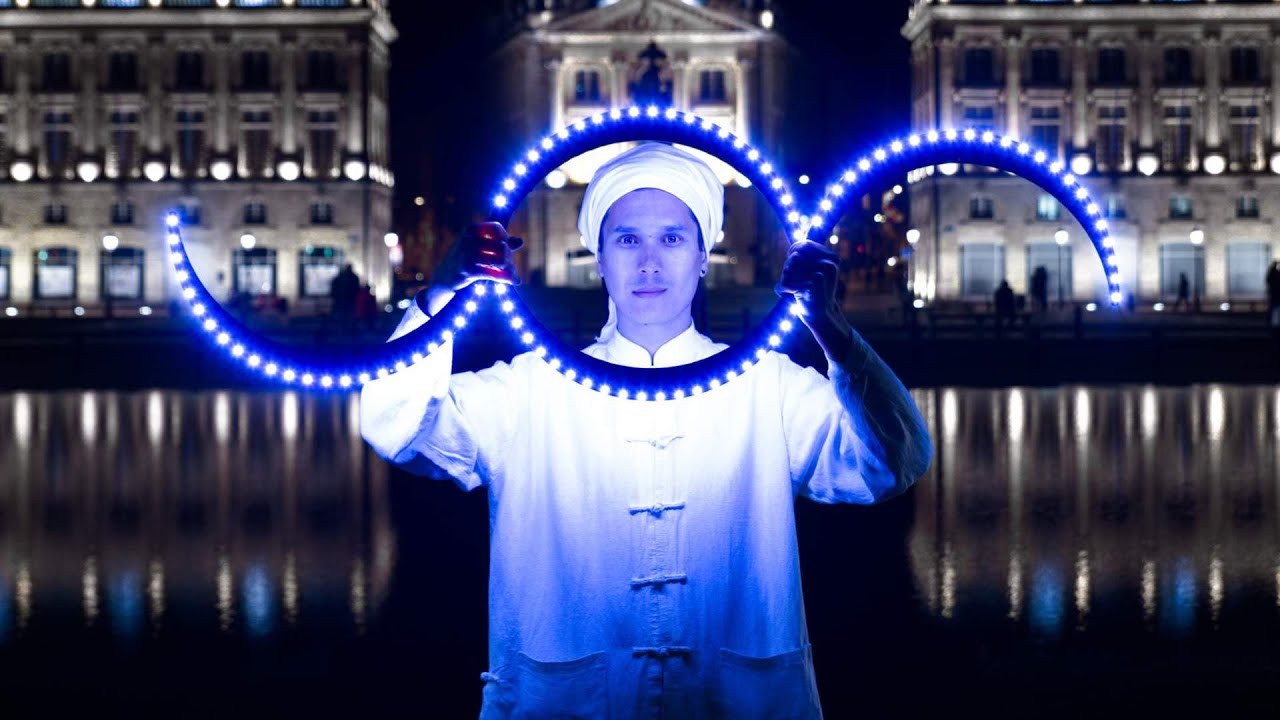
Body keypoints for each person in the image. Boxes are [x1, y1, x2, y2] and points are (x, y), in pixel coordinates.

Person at [361, 143, 933, 718]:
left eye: (673, 238)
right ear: (601, 258)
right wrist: (439, 295)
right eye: (628, 239)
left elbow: (894, 460)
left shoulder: (769, 385)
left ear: (705, 255)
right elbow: (393, 422)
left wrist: (830, 330)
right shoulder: (528, 389)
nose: (649, 262)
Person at [329, 263, 360, 330]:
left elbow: (334, 286)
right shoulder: (353, 277)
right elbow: (356, 289)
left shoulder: (341, 277)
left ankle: (344, 328)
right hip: (347, 300)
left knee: (343, 315)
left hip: (343, 300)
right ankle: (347, 328)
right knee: (347, 315)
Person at [1266, 261, 1280, 328]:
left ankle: (1272, 322)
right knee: (1275, 307)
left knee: (1273, 307)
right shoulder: (1276, 273)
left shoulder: (1271, 272)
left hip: (1274, 293)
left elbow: (1268, 281)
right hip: (1276, 293)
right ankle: (1274, 323)